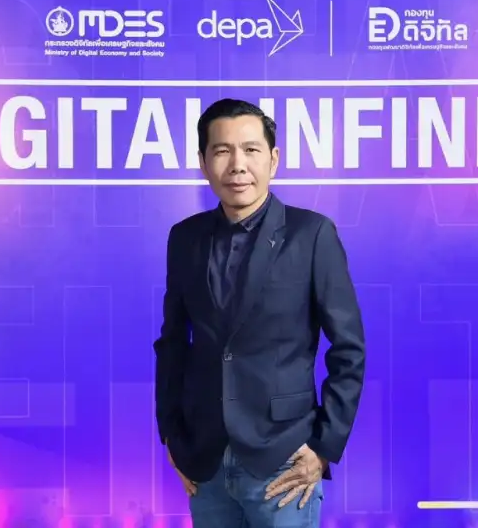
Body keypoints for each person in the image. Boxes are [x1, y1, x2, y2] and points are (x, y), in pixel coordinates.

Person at [153, 98, 367, 527]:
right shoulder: (185, 238)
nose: (238, 165)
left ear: (273, 159)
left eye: (251, 150)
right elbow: (173, 342)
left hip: (283, 459)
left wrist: (324, 447)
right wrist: (171, 436)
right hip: (206, 461)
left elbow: (349, 349)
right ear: (203, 162)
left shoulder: (312, 234)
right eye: (222, 150)